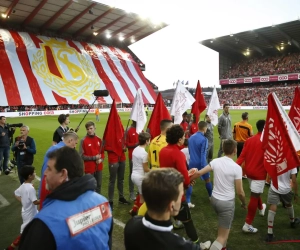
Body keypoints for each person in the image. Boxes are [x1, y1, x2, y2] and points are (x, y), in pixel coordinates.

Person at [19, 147, 113, 250]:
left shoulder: (44, 222)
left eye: (49, 168)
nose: (45, 173)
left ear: (63, 174)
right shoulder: (103, 202)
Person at [124, 168, 208, 250]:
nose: (182, 198)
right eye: (181, 196)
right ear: (171, 206)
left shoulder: (131, 225)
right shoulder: (184, 246)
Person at [159, 125, 211, 249]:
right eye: (183, 137)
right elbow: (184, 178)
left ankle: (175, 225)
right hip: (177, 194)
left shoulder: (163, 151)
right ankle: (197, 245)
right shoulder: (178, 154)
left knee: (166, 218)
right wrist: (189, 181)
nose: (184, 138)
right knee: (188, 221)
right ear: (178, 139)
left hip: (165, 189)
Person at [191, 139, 246, 250]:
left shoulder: (216, 161)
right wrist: (244, 203)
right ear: (235, 151)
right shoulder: (237, 168)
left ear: (223, 149)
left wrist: (185, 180)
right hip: (226, 203)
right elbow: (240, 192)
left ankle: (223, 248)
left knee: (222, 227)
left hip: (214, 200)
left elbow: (199, 173)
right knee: (222, 236)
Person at [236, 120, 267, 233]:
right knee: (254, 195)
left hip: (248, 172)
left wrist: (234, 167)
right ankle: (247, 224)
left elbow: (242, 156)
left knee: (255, 192)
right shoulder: (267, 142)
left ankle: (261, 207)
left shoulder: (249, 140)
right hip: (259, 173)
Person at [39, 131, 78, 209]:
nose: (75, 146)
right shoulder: (60, 151)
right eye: (75, 143)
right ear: (70, 140)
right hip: (52, 189)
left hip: (47, 187)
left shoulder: (54, 148)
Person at [6, 166, 39, 250]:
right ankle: (10, 248)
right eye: (34, 173)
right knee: (23, 233)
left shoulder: (23, 185)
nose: (35, 174)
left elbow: (15, 193)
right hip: (30, 214)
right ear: (29, 176)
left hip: (27, 212)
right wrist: (46, 198)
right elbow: (35, 202)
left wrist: (23, 201)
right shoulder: (31, 189)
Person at [266, 166, 300, 242]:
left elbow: (270, 171)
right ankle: (292, 222)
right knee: (289, 204)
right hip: (286, 189)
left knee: (273, 205)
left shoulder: (276, 158)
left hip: (274, 186)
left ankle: (269, 232)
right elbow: (294, 180)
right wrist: (296, 193)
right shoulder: (292, 162)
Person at [129, 132, 151, 216]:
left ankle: (134, 210)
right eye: (149, 140)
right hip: (140, 178)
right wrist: (154, 170)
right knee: (143, 198)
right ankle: (140, 217)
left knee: (140, 193)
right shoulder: (144, 154)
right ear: (146, 141)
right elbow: (145, 169)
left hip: (133, 176)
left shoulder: (135, 149)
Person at [79, 121, 104, 194]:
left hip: (99, 166)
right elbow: (81, 155)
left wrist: (101, 159)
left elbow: (102, 153)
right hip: (89, 168)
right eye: (88, 129)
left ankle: (98, 201)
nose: (89, 130)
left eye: (91, 128)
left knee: (99, 185)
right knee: (89, 186)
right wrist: (94, 158)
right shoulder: (83, 140)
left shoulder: (99, 139)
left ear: (94, 128)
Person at [189, 121, 212, 198]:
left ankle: (188, 201)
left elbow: (190, 151)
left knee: (190, 181)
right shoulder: (204, 139)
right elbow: (203, 154)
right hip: (201, 163)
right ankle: (210, 197)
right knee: (207, 180)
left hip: (192, 162)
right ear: (205, 128)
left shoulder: (191, 137)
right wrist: (204, 166)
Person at [106, 138, 130, 210]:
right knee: (112, 180)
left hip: (122, 158)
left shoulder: (121, 134)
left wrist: (124, 148)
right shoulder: (110, 134)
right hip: (113, 159)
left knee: (121, 179)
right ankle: (110, 201)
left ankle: (121, 197)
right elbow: (105, 147)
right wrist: (116, 148)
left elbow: (125, 146)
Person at [233, 112, 253, 178]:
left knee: (239, 158)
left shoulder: (236, 124)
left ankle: (237, 172)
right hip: (245, 144)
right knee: (245, 159)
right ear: (247, 118)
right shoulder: (249, 126)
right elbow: (251, 136)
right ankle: (244, 174)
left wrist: (235, 140)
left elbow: (234, 134)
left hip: (237, 143)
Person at [125, 120, 139, 201]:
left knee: (140, 173)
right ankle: (131, 192)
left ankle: (138, 191)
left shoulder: (140, 129)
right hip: (132, 156)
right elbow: (126, 144)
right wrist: (135, 144)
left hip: (140, 156)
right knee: (132, 173)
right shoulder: (129, 130)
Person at [181, 138, 195, 208]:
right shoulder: (191, 150)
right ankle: (188, 201)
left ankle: (184, 199)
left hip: (183, 168)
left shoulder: (181, 151)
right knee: (190, 183)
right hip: (189, 167)